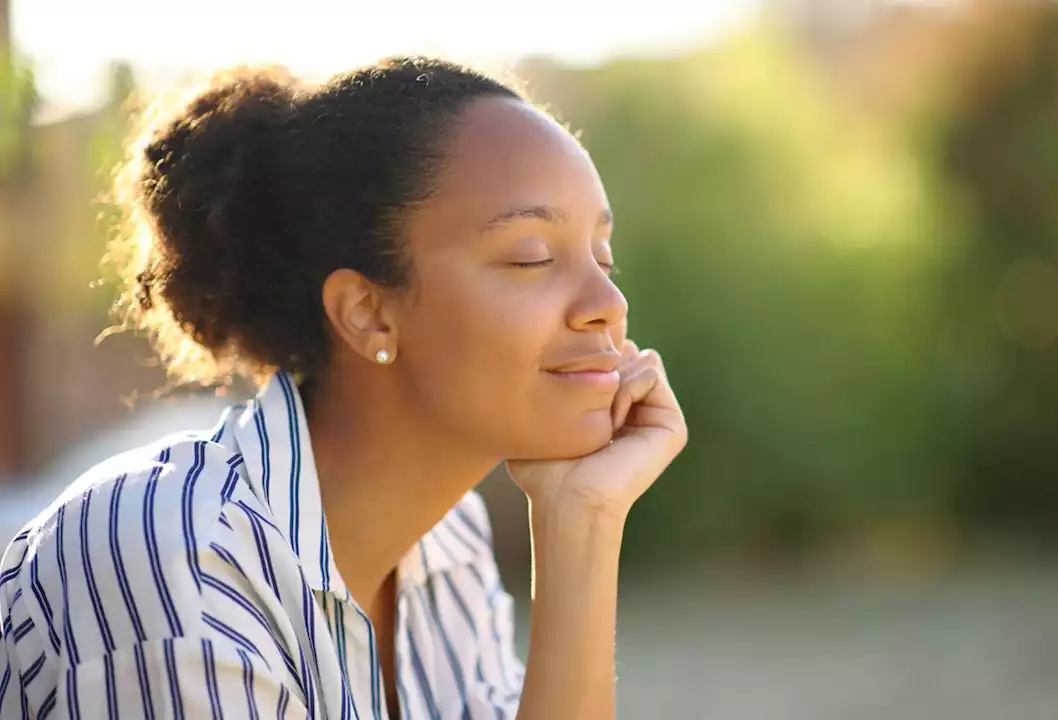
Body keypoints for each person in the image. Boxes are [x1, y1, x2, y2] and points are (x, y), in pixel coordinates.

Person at [0, 56, 686, 720]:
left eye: (603, 257)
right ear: (367, 312)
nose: (608, 302)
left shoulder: (450, 549)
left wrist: (583, 522)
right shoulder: (176, 553)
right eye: (530, 256)